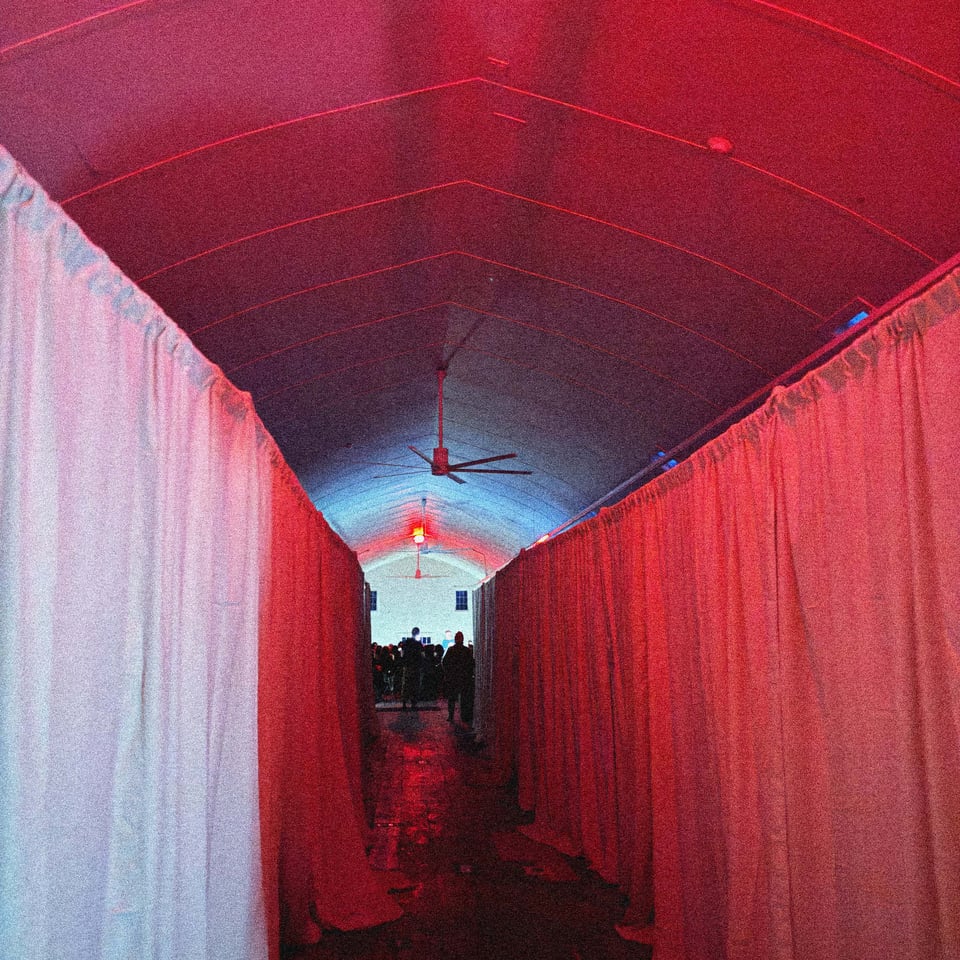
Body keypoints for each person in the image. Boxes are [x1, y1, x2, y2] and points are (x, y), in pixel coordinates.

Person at [441, 631, 474, 723]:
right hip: (464, 677)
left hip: (453, 677)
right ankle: (464, 716)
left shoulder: (451, 650)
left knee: (451, 698)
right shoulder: (467, 651)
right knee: (464, 698)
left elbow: (445, 662)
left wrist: (448, 673)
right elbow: (471, 664)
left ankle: (451, 716)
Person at [399, 627, 424, 709]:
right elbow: (422, 655)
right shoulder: (418, 644)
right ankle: (413, 702)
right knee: (415, 685)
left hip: (407, 666)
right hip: (416, 667)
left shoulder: (406, 642)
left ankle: (404, 702)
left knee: (406, 684)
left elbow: (402, 655)